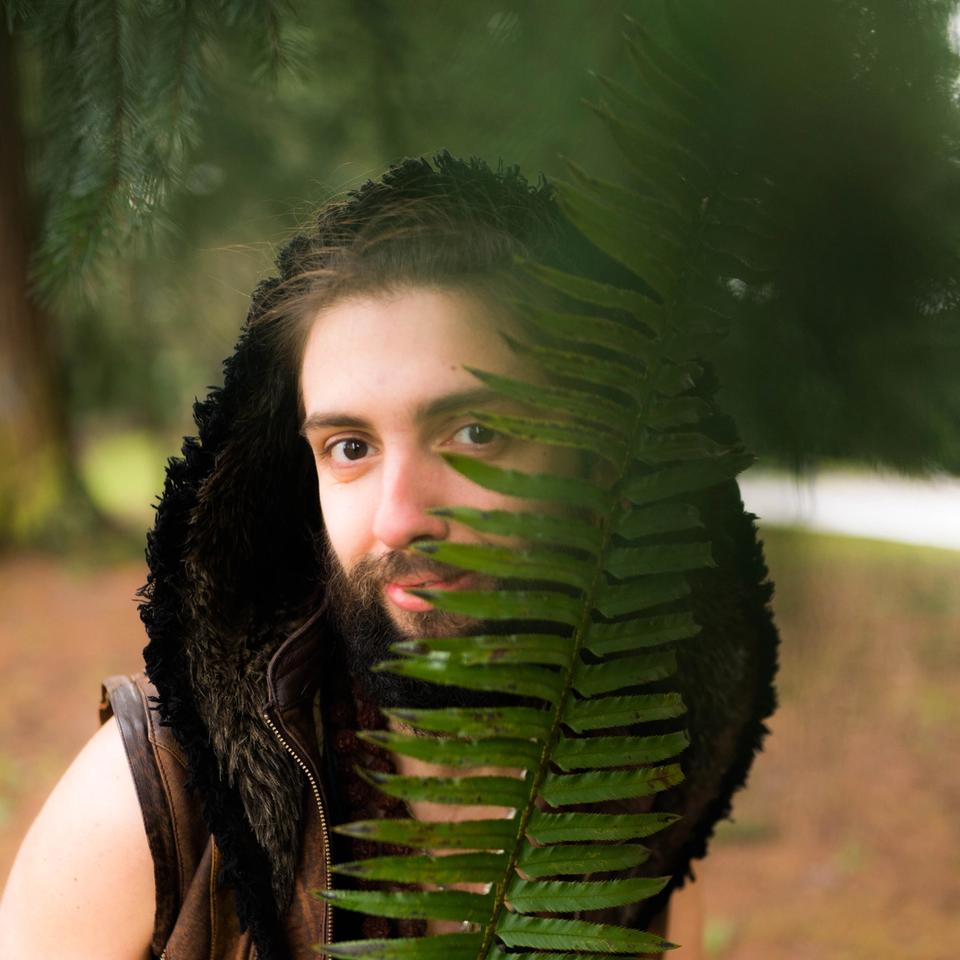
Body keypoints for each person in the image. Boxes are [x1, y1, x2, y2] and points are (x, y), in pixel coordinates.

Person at [0, 154, 776, 959]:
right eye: (350, 446)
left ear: (597, 463)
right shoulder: (154, 801)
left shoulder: (638, 805)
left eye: (476, 433)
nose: (400, 518)